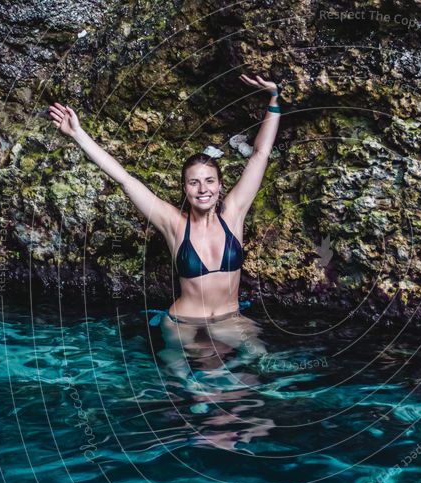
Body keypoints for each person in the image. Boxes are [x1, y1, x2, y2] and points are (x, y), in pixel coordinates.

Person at [49, 74, 280, 374]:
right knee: (190, 392)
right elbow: (124, 178)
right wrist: (77, 134)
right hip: (182, 325)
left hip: (230, 321)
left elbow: (260, 154)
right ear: (185, 189)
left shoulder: (234, 215)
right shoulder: (174, 223)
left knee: (263, 370)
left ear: (221, 185)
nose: (203, 189)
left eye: (209, 181)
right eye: (194, 183)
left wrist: (275, 98)